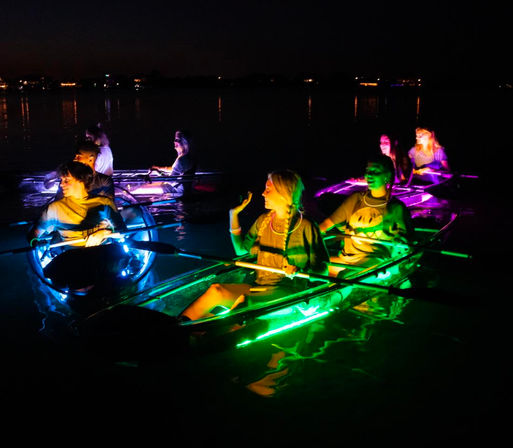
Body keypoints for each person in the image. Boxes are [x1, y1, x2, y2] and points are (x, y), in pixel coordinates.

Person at [180, 169, 329, 321]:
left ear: (284, 193)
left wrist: (300, 270)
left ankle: (205, 337)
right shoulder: (264, 220)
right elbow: (240, 250)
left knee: (245, 302)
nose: (263, 194)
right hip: (259, 286)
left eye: (268, 189)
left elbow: (323, 269)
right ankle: (178, 328)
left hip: (290, 293)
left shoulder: (306, 226)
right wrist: (233, 215)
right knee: (216, 291)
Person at [28, 161, 127, 289]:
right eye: (61, 180)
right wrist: (36, 242)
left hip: (102, 255)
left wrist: (105, 232)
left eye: (66, 180)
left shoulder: (104, 203)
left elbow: (123, 231)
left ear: (81, 180)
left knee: (116, 258)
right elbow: (33, 234)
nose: (61, 184)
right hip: (74, 259)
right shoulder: (55, 208)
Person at [319, 154, 414, 276]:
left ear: (387, 176)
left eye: (375, 171)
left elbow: (408, 241)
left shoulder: (396, 208)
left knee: (345, 276)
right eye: (368, 171)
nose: (369, 175)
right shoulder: (355, 199)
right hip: (347, 259)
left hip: (375, 261)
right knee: (315, 266)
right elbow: (326, 224)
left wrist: (401, 243)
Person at [148, 129, 197, 196]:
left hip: (179, 194)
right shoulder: (186, 157)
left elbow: (171, 180)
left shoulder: (182, 159)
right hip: (184, 192)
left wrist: (158, 172)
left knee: (153, 189)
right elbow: (176, 170)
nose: (174, 141)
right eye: (175, 139)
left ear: (185, 142)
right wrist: (159, 168)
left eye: (177, 139)